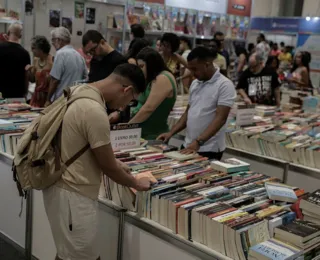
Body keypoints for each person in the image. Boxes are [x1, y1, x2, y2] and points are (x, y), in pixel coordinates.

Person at [43, 63, 151, 260]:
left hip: (61, 188)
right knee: (82, 256)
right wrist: (136, 183)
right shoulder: (94, 111)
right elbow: (107, 166)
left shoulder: (79, 90)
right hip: (73, 194)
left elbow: (85, 147)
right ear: (126, 89)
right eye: (132, 100)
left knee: (68, 253)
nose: (126, 106)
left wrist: (117, 164)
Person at [157, 47, 236, 160]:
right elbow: (187, 113)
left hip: (209, 149)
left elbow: (220, 119)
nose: (192, 73)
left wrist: (199, 142)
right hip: (189, 145)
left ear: (207, 64)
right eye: (190, 69)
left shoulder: (225, 85)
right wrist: (171, 133)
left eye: (195, 69)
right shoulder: (195, 83)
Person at [129, 47, 177, 139]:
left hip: (153, 134)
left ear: (151, 65)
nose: (140, 70)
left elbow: (148, 108)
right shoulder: (153, 78)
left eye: (142, 66)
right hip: (143, 132)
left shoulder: (162, 78)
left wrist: (128, 126)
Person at [47, 27, 87, 105]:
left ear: (59, 40)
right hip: (75, 99)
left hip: (61, 100)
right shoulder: (79, 56)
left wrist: (48, 99)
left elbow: (55, 80)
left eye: (53, 40)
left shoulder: (60, 54)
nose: (52, 43)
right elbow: (85, 77)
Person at [0, 23, 30, 98]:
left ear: (8, 32)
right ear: (20, 35)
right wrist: (25, 93)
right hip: (17, 94)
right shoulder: (25, 53)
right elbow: (26, 76)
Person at [26, 36, 53, 107]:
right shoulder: (36, 60)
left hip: (48, 98)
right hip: (36, 97)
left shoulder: (52, 61)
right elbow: (33, 80)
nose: (31, 50)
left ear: (40, 49)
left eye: (33, 48)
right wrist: (29, 71)